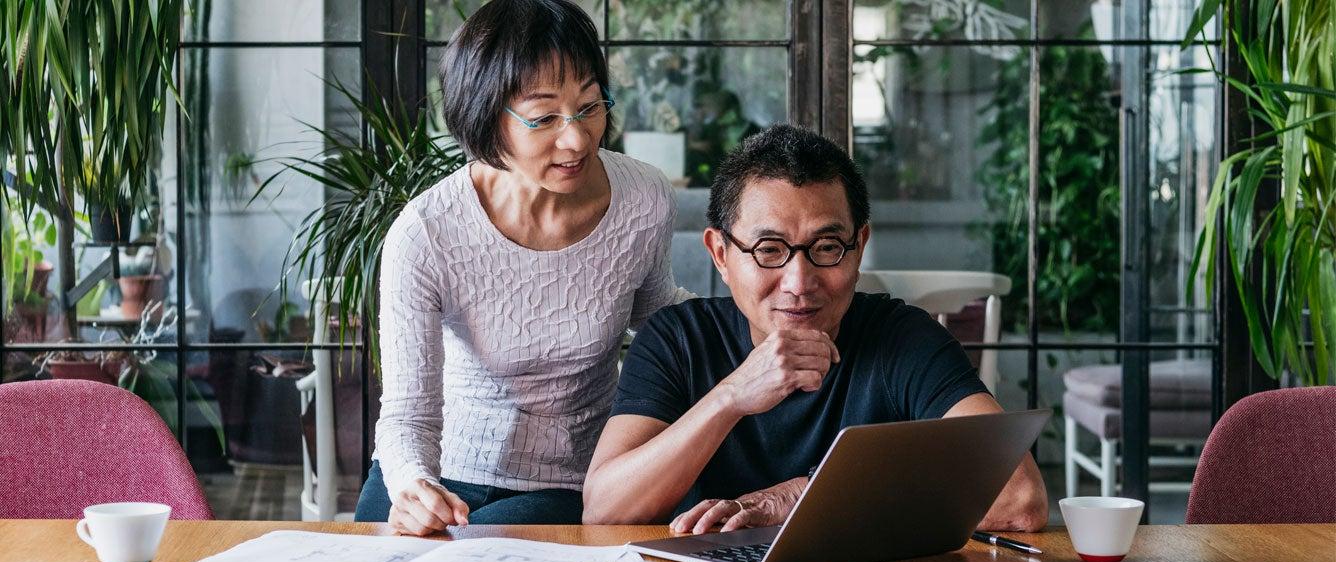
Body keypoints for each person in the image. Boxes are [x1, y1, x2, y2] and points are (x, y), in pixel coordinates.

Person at [582, 124, 1048, 533]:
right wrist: (731, 396)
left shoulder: (903, 339)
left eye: (827, 247)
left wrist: (799, 496)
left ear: (859, 245)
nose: (800, 284)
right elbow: (605, 509)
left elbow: (1019, 497)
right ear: (721, 254)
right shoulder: (678, 339)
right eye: (768, 249)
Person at [356, 0, 691, 533]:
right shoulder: (426, 233)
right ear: (487, 117)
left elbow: (659, 320)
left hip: (564, 484)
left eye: (589, 106)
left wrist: (759, 311)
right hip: (439, 475)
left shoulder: (643, 197)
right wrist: (412, 484)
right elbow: (407, 413)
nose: (577, 139)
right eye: (543, 119)